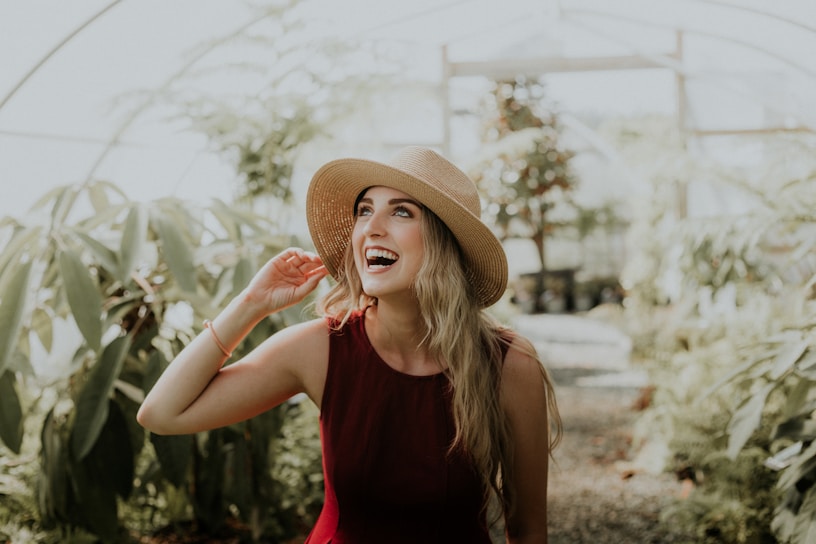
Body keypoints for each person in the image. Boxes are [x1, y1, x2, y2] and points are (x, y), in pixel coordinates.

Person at [137, 145, 562, 543]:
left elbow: (527, 530)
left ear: (443, 241)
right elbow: (161, 413)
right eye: (364, 210)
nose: (372, 228)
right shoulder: (322, 348)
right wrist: (250, 304)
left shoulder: (508, 364)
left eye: (401, 212)